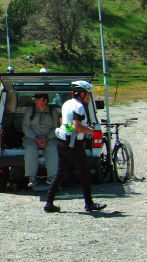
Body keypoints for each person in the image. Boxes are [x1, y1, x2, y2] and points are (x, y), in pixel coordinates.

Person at [45, 80, 107, 213]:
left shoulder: (67, 103)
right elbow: (77, 126)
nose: (89, 96)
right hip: (73, 143)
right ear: (82, 94)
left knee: (60, 173)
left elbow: (64, 122)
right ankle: (89, 204)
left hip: (62, 141)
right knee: (85, 173)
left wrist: (74, 131)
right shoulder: (79, 106)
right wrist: (89, 130)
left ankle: (49, 203)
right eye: (88, 94)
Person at [20, 92, 60, 191]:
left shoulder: (53, 111)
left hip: (49, 137)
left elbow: (56, 128)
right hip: (32, 137)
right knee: (30, 149)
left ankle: (52, 177)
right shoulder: (30, 110)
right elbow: (25, 127)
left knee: (54, 148)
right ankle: (32, 177)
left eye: (38, 99)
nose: (36, 101)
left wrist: (47, 138)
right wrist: (36, 139)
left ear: (45, 101)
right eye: (35, 98)